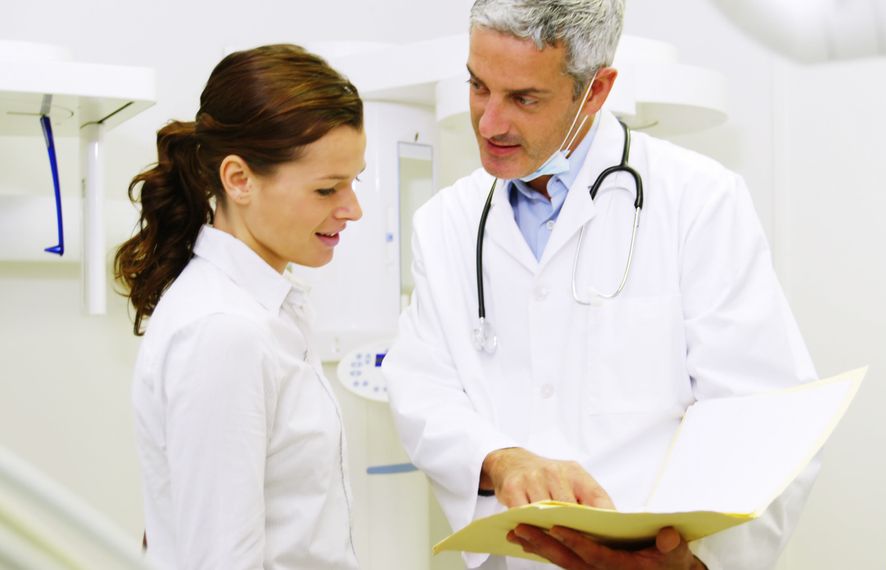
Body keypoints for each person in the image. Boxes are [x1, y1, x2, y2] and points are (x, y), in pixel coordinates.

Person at [383, 1, 819, 568]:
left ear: (594, 90)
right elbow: (423, 389)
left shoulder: (697, 200)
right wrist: (500, 458)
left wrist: (700, 561)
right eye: (478, 86)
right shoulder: (447, 222)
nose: (488, 123)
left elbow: (766, 414)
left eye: (523, 98)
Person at [114, 44, 366, 569]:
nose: (353, 209)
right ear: (238, 179)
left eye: (353, 181)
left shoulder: (266, 309)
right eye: (327, 188)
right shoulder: (225, 331)